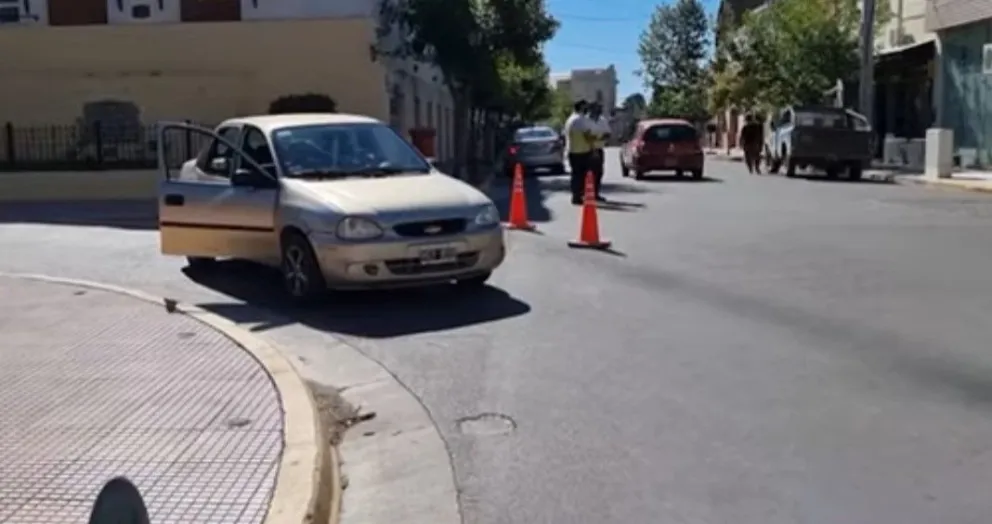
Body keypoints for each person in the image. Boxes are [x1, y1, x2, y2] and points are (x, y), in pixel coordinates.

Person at [563, 100, 597, 205]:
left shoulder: (570, 119)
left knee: (576, 174)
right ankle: (578, 196)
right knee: (581, 175)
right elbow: (586, 135)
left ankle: (577, 195)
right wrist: (593, 146)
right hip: (581, 151)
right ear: (581, 107)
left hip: (573, 150)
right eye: (585, 107)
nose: (587, 109)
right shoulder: (579, 119)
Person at [588, 103, 611, 201]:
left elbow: (608, 133)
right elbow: (585, 135)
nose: (599, 111)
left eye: (600, 109)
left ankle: (596, 194)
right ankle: (585, 193)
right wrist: (596, 138)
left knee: (598, 172)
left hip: (599, 149)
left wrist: (599, 137)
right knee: (587, 173)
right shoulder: (585, 120)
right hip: (587, 150)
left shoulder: (602, 120)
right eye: (597, 108)